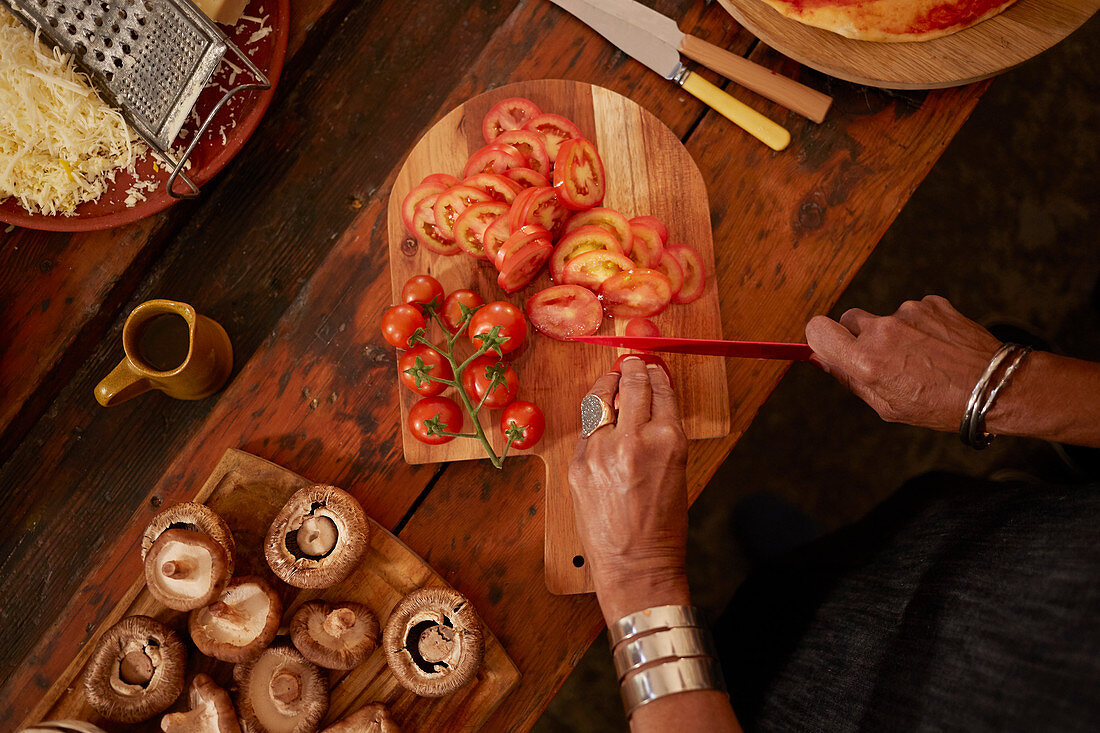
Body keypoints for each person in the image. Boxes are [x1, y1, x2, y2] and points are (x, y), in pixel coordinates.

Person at [569, 295, 1100, 732]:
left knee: (757, 666)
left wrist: (641, 579)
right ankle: (804, 582)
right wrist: (1009, 387)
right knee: (824, 578)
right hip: (1013, 548)